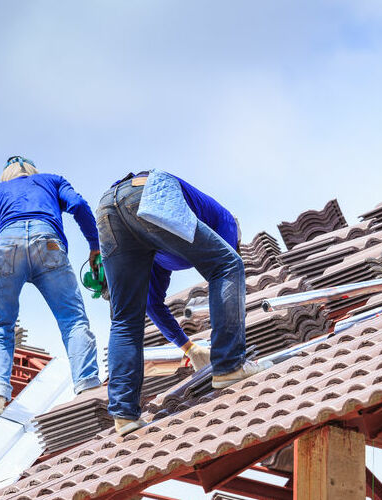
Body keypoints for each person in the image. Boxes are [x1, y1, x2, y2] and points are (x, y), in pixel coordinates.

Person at [97, 170, 272, 436]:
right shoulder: (226, 222)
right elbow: (224, 267)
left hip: (110, 208)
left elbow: (152, 304)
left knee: (125, 317)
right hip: (148, 191)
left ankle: (124, 415)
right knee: (228, 264)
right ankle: (230, 366)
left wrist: (189, 348)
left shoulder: (158, 247)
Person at [0, 156, 101, 414]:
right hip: (47, 241)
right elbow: (78, 204)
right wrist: (94, 245)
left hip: (7, 246)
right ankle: (88, 386)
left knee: (1, 325)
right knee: (73, 320)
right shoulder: (52, 181)